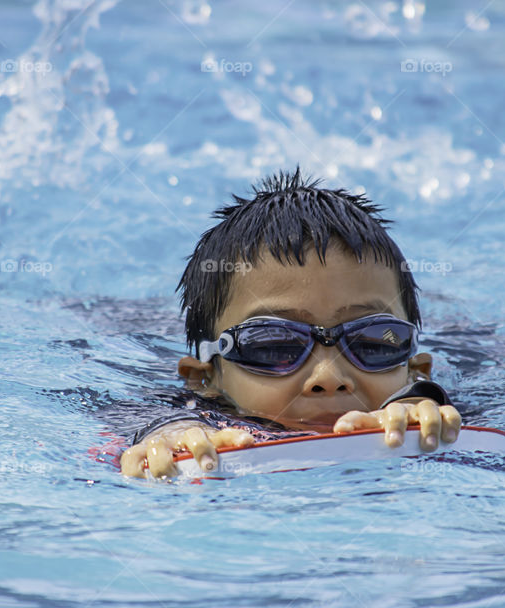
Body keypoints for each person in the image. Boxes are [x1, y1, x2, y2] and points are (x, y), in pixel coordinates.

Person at [119, 167, 461, 479]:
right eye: (274, 345)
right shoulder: (189, 415)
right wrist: (169, 430)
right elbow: (138, 423)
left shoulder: (437, 414)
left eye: (371, 342)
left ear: (417, 370)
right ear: (204, 379)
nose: (328, 379)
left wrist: (421, 403)